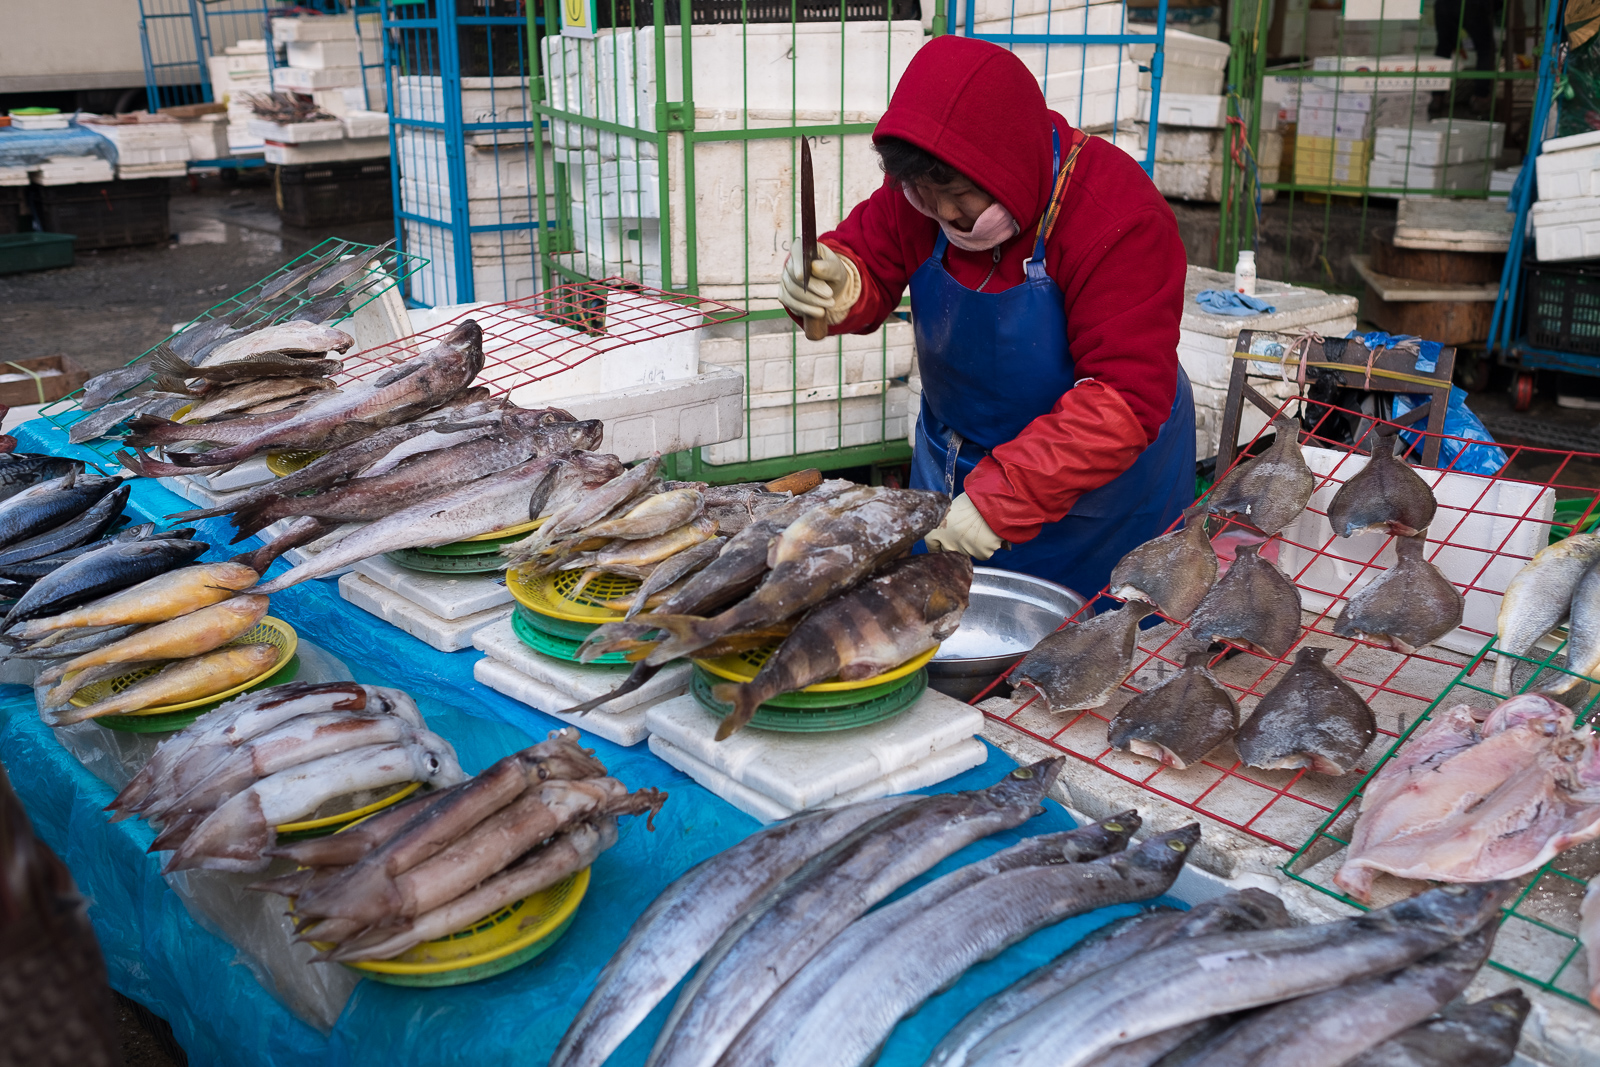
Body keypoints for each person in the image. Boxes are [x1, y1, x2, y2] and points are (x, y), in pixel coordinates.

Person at [777, 35, 1196, 601]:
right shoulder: (923, 188)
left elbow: (1124, 397)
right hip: (957, 458)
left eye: (958, 195)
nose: (944, 214)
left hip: (1097, 493)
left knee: (1097, 650)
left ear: (1011, 164)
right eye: (923, 195)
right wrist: (841, 280)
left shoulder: (1118, 217)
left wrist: (1006, 495)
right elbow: (871, 254)